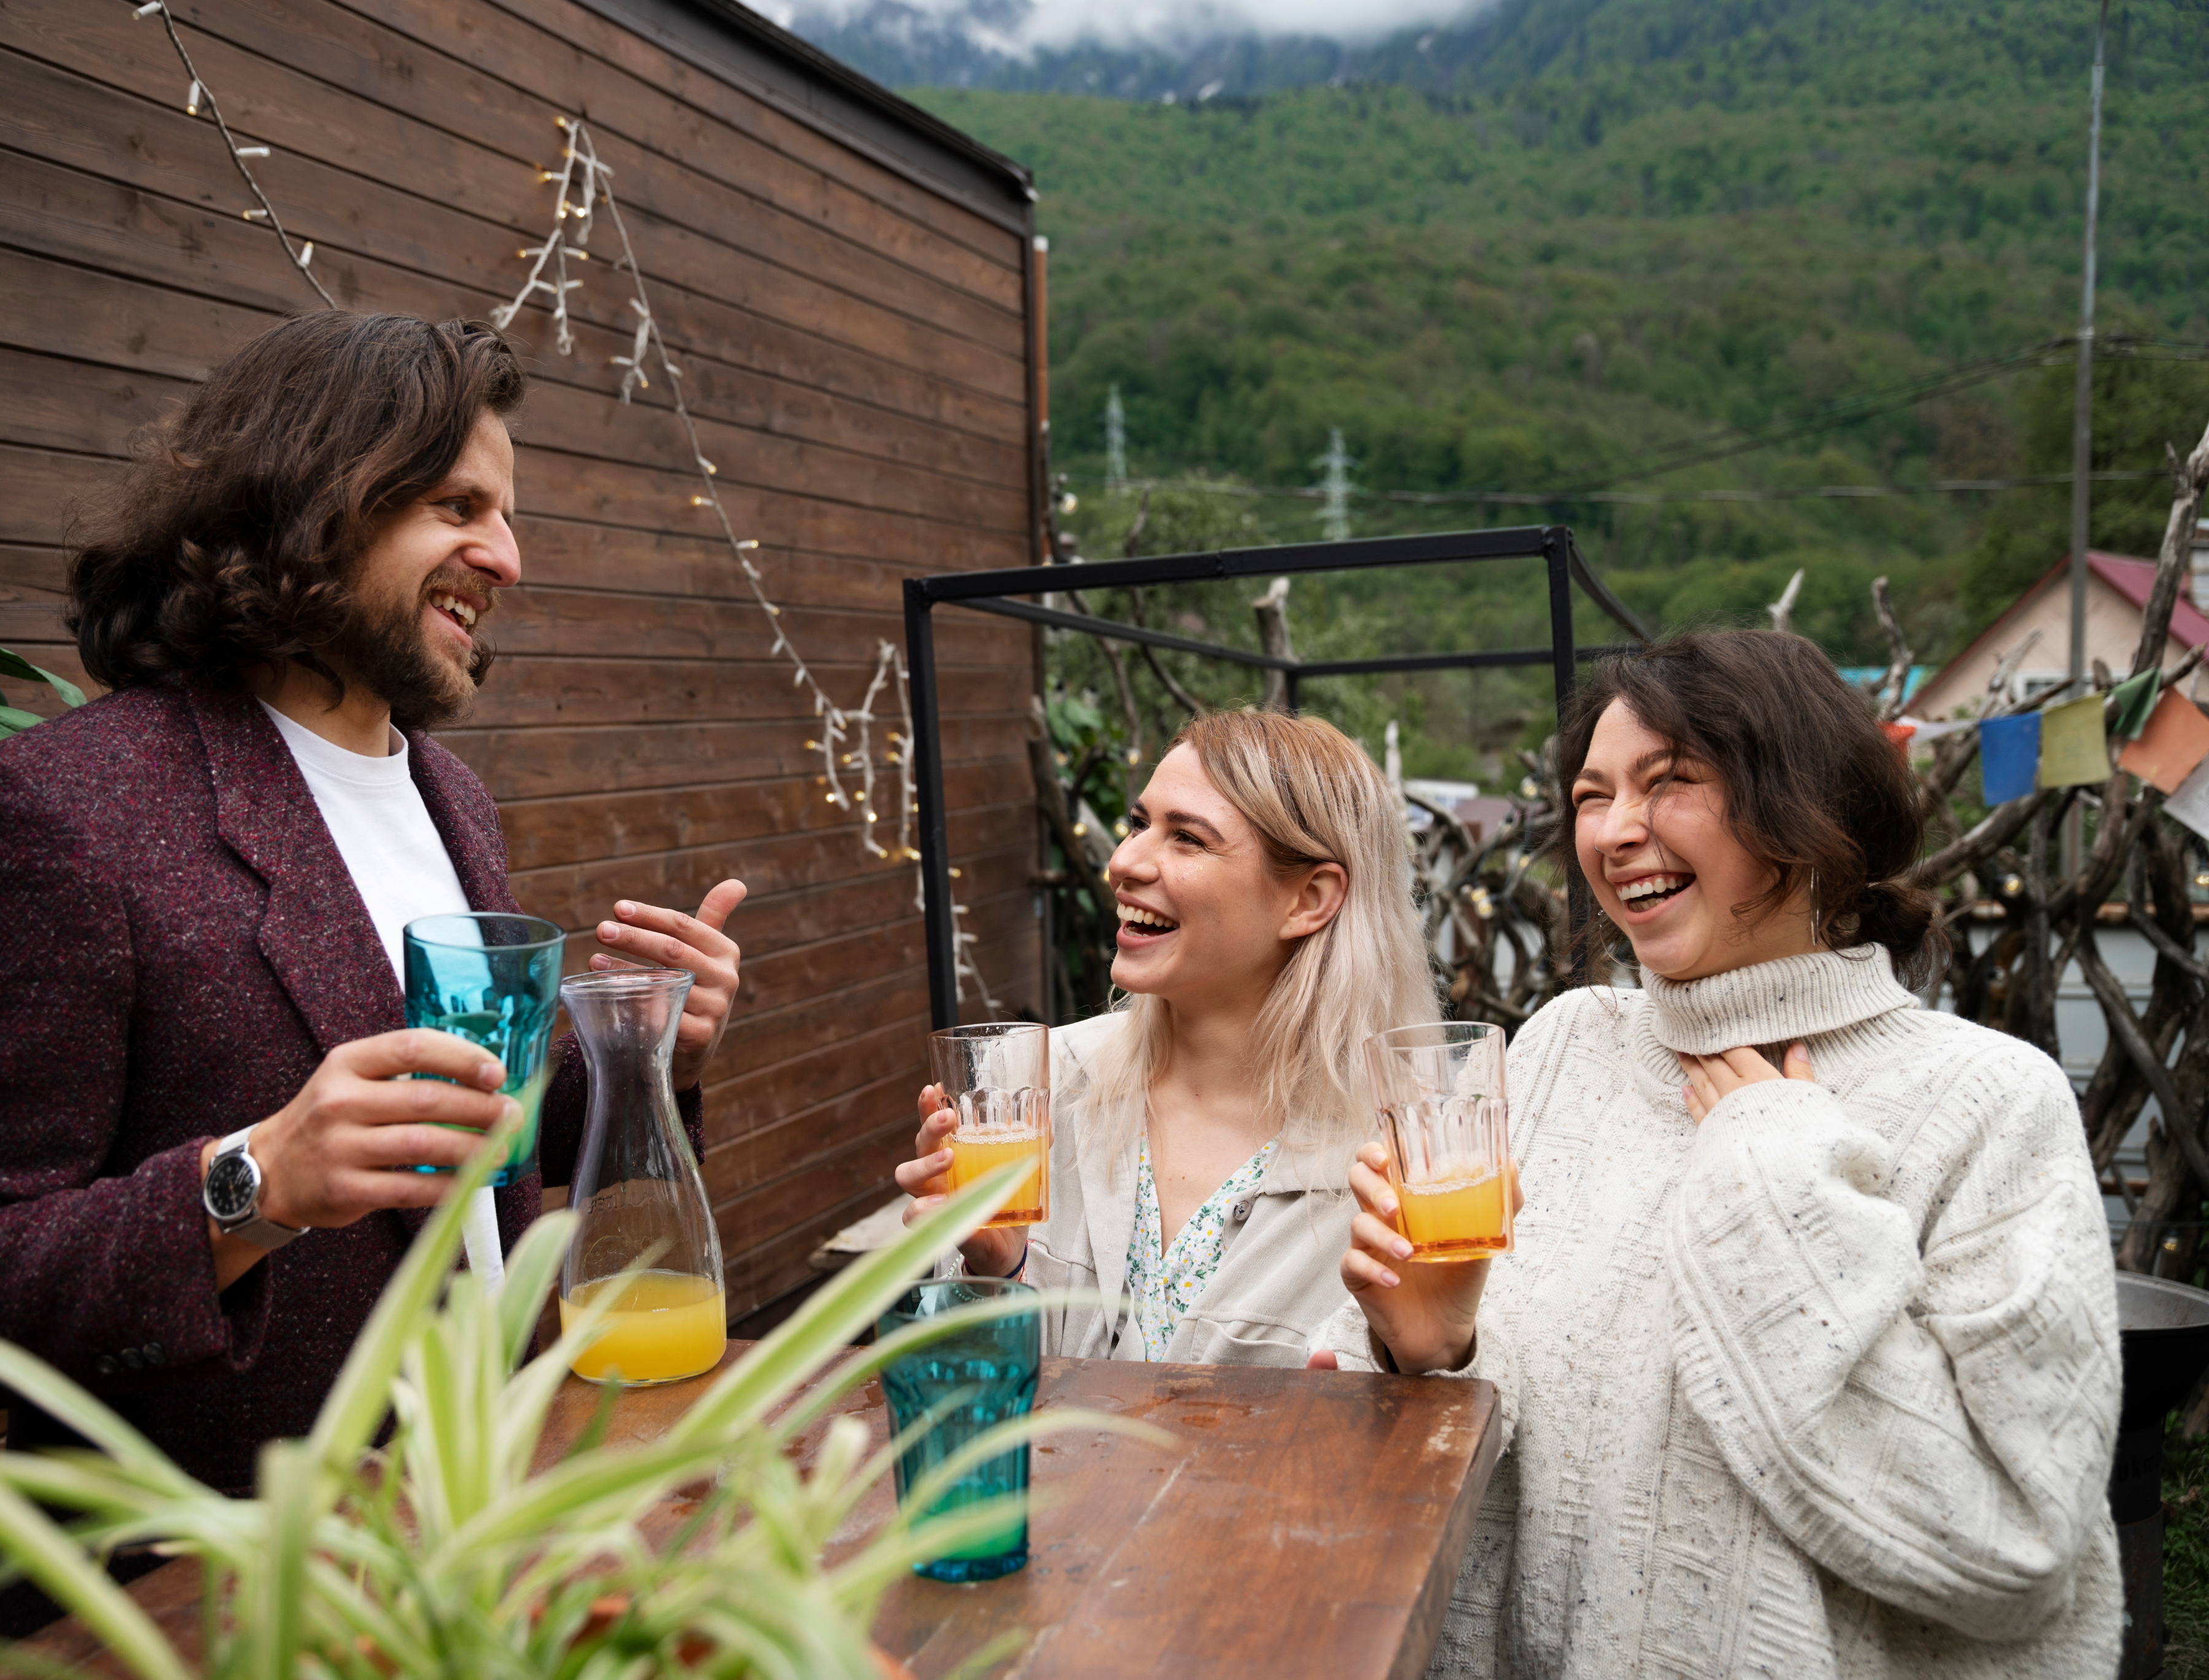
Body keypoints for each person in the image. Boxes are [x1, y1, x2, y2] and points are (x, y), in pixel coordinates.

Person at [0, 313, 746, 1503]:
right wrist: (248, 1185)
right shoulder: (53, 814)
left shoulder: (453, 800)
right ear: (317, 499)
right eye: (457, 507)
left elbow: (452, 1135)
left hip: (488, 1542)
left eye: (509, 516)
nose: (508, 558)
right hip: (225, 1599)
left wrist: (637, 1048)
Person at [1312, 629, 2120, 1675]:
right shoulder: (1564, 1047)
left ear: (1811, 807)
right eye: (1593, 795)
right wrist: (1431, 1352)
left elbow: (2020, 1546)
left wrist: (1776, 1183)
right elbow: (1391, 1433)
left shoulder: (1986, 1102)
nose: (1616, 831)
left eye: (1673, 780)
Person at [895, 708, 1436, 1363]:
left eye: (1187, 839)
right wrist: (994, 1273)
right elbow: (966, 1397)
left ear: (1308, 899)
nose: (1123, 861)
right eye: (1137, 825)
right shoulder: (1047, 1087)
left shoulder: (1404, 1156)